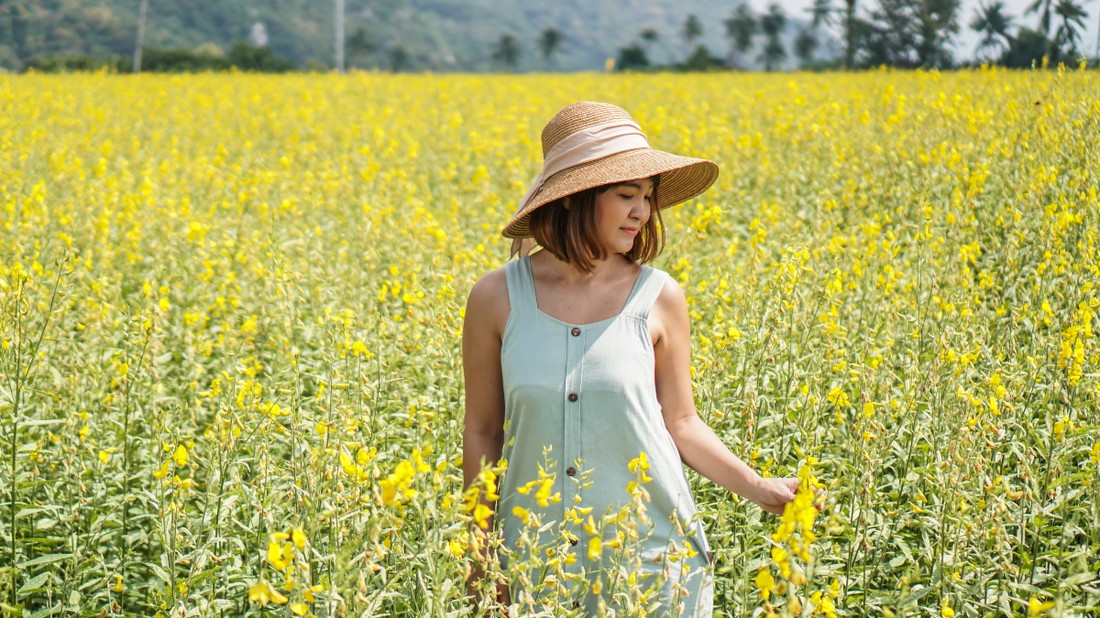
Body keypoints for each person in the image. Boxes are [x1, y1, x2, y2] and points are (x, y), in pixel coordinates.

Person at [462, 102, 801, 616]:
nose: (642, 212)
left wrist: (761, 489)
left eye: (647, 197)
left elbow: (682, 423)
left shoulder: (660, 297)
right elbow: (482, 432)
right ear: (575, 198)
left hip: (652, 563)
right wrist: (480, 555)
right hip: (535, 564)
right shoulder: (495, 298)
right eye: (626, 195)